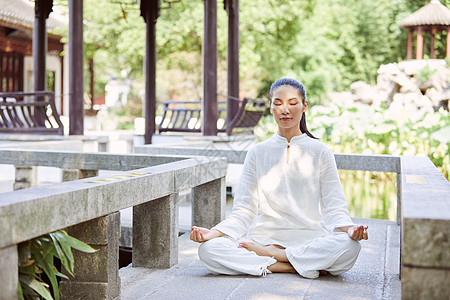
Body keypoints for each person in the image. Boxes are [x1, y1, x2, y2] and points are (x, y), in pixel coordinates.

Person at [190, 78, 368, 278]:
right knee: (208, 250)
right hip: (264, 240)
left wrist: (350, 229)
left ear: (304, 106)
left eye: (293, 103)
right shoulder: (257, 152)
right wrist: (215, 233)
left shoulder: (320, 152)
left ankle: (275, 258)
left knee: (350, 246)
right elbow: (244, 210)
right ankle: (294, 265)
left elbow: (334, 207)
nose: (285, 110)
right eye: (278, 103)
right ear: (271, 107)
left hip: (309, 240)